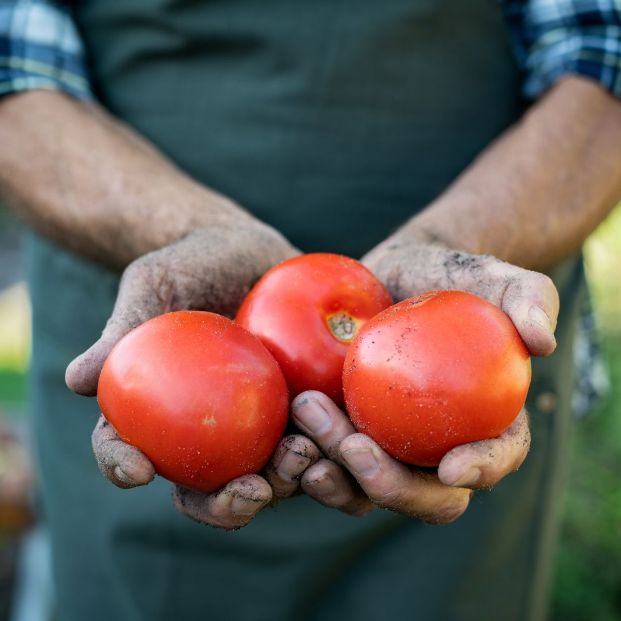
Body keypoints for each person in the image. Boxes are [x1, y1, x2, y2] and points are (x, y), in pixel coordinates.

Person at [1, 0, 620, 619]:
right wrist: (182, 228)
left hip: (483, 274)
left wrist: (455, 249)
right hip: (145, 316)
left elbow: (602, 60)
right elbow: (14, 79)